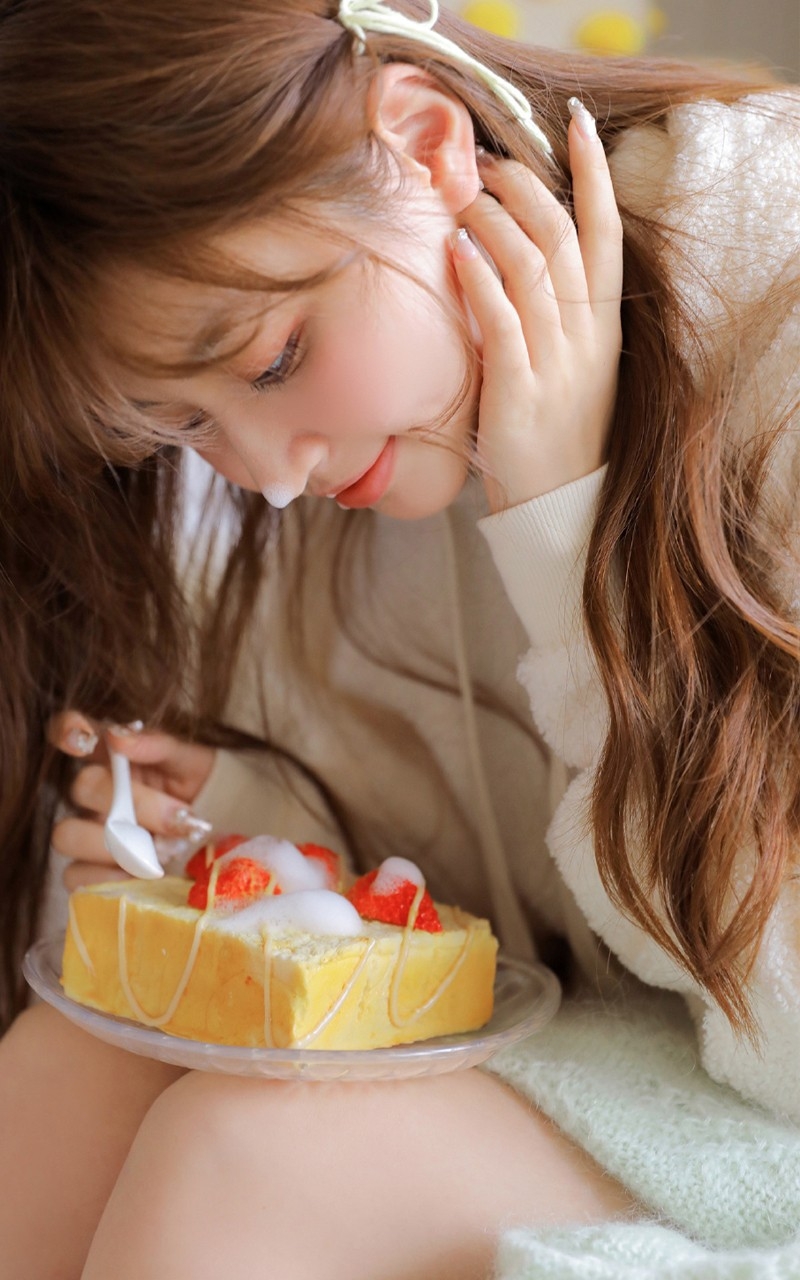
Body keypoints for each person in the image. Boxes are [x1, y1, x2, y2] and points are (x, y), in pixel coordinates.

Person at [0, 0, 798, 1275]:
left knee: (246, 1157)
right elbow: (541, 906)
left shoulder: (772, 300)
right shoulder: (390, 439)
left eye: (266, 363)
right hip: (666, 1043)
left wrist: (558, 540)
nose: (261, 476)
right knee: (92, 1042)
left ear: (424, 149)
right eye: (181, 428)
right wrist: (287, 841)